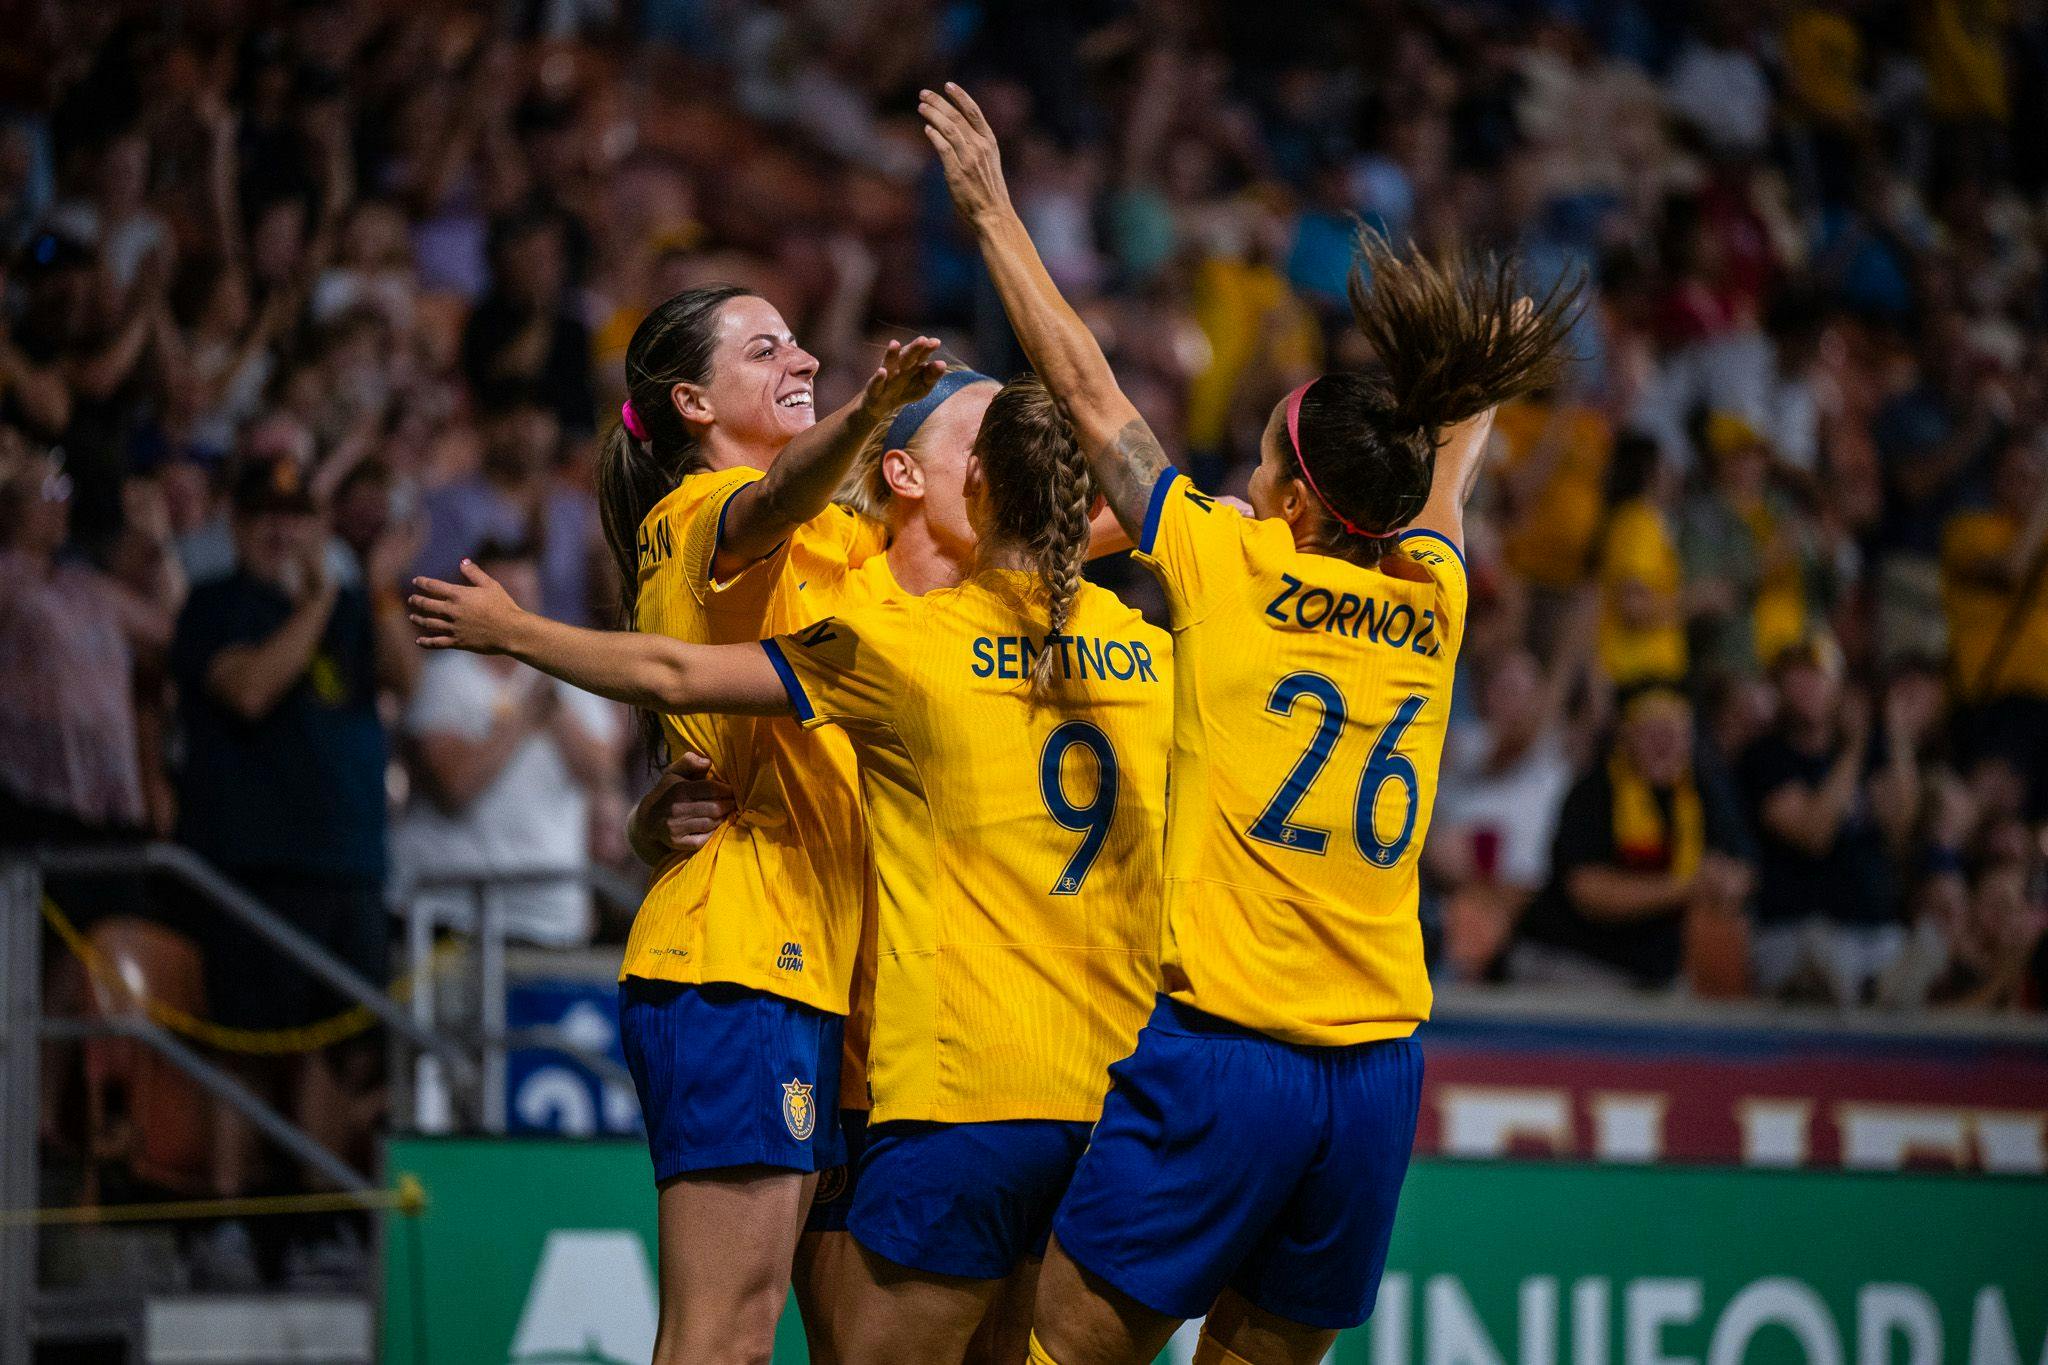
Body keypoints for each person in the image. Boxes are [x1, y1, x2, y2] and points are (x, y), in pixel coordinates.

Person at [919, 82, 1571, 1365]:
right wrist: (1478, 377)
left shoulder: (1232, 564)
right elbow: (1449, 474)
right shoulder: (1430, 599)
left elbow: (1091, 395)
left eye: (1268, 459)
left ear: (1303, 505)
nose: (1249, 474)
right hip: (1378, 1072)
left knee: (1056, 1350)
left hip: (1225, 1057)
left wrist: (992, 214)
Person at [411, 372, 1173, 1365]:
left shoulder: (992, 613)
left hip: (937, 1055)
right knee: (760, 1335)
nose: (1005, 457)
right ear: (906, 473)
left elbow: (1100, 522)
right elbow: (682, 675)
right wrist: (651, 811)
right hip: (843, 1020)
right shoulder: (841, 595)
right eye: (980, 434)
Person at [510, 277, 944, 1365]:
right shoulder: (700, 511)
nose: (797, 359)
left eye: (797, 340)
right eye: (762, 350)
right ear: (692, 404)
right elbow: (774, 501)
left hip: (840, 973)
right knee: (722, 1341)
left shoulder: (839, 540)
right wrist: (867, 409)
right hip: (743, 957)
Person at [168, 453, 418, 1281]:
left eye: (299, 516)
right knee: (244, 1041)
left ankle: (314, 1221)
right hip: (251, 862)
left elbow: (405, 676)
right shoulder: (215, 606)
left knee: (333, 1047)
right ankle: (227, 1218)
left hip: (347, 861)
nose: (285, 531)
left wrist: (373, 588)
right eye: (267, 516)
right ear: (237, 526)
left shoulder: (347, 605)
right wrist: (315, 601)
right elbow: (248, 690)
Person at [394, 536, 627, 948]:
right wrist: (522, 719)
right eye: (505, 597)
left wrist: (555, 711)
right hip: (455, 910)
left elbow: (604, 776)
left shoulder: (571, 674)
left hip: (551, 914)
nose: (514, 609)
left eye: (524, 594)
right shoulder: (445, 676)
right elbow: (455, 789)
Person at [1512, 687, 1756, 992]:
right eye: (1653, 732)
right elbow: (1589, 890)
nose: (1664, 745)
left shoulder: (1702, 789)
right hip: (1575, 961)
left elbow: (1743, 867)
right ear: (1626, 736)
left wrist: (1729, 881)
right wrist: (1689, 886)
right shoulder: (1594, 790)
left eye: (1676, 733)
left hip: (1658, 972)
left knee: (1723, 931)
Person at [1738, 637, 1903, 1002]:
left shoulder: (1870, 754)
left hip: (1871, 928)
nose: (1807, 689)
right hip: (1795, 929)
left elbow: (1901, 828)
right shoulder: (1766, 758)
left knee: (1902, 953)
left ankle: (1883, 985)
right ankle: (1869, 988)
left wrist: (1896, 733)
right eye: (1795, 679)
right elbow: (1814, 834)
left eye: (1818, 677)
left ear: (1840, 688)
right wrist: (1854, 748)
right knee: (1826, 958)